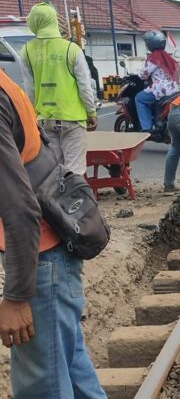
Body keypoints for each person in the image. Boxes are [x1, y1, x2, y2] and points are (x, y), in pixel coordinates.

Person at [0, 69, 106, 398]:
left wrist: (16, 297)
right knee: (71, 372)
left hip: (41, 261)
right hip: (51, 257)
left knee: (43, 386)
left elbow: (21, 209)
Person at [20, 2, 97, 175]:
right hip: (73, 118)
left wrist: (33, 117)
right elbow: (84, 85)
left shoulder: (26, 51)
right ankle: (75, 193)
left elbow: (29, 89)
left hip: (45, 120)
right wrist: (91, 112)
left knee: (54, 170)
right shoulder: (71, 49)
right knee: (75, 170)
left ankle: (58, 194)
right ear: (54, 21)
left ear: (34, 22)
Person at [134, 30, 179, 132]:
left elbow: (144, 74)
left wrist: (136, 73)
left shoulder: (154, 57)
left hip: (159, 90)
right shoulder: (167, 57)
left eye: (147, 42)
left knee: (139, 98)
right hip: (172, 89)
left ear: (151, 43)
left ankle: (146, 128)